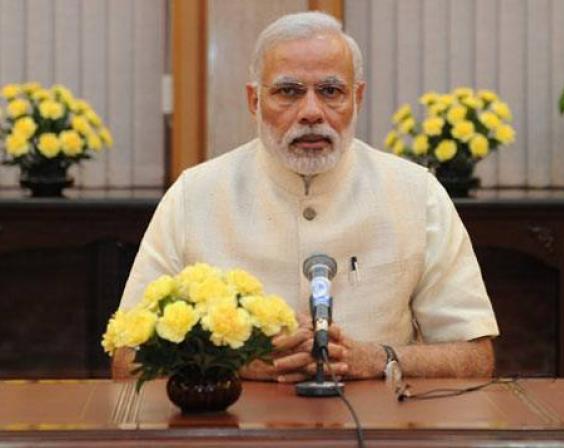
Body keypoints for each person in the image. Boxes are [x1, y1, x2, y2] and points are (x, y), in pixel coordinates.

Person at [115, 11, 499, 382]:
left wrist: (378, 358)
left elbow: (476, 356)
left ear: (357, 98)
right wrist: (238, 363)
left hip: (378, 419)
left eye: (331, 92)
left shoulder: (416, 193)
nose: (311, 112)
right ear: (254, 101)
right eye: (289, 92)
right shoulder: (194, 195)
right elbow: (127, 358)